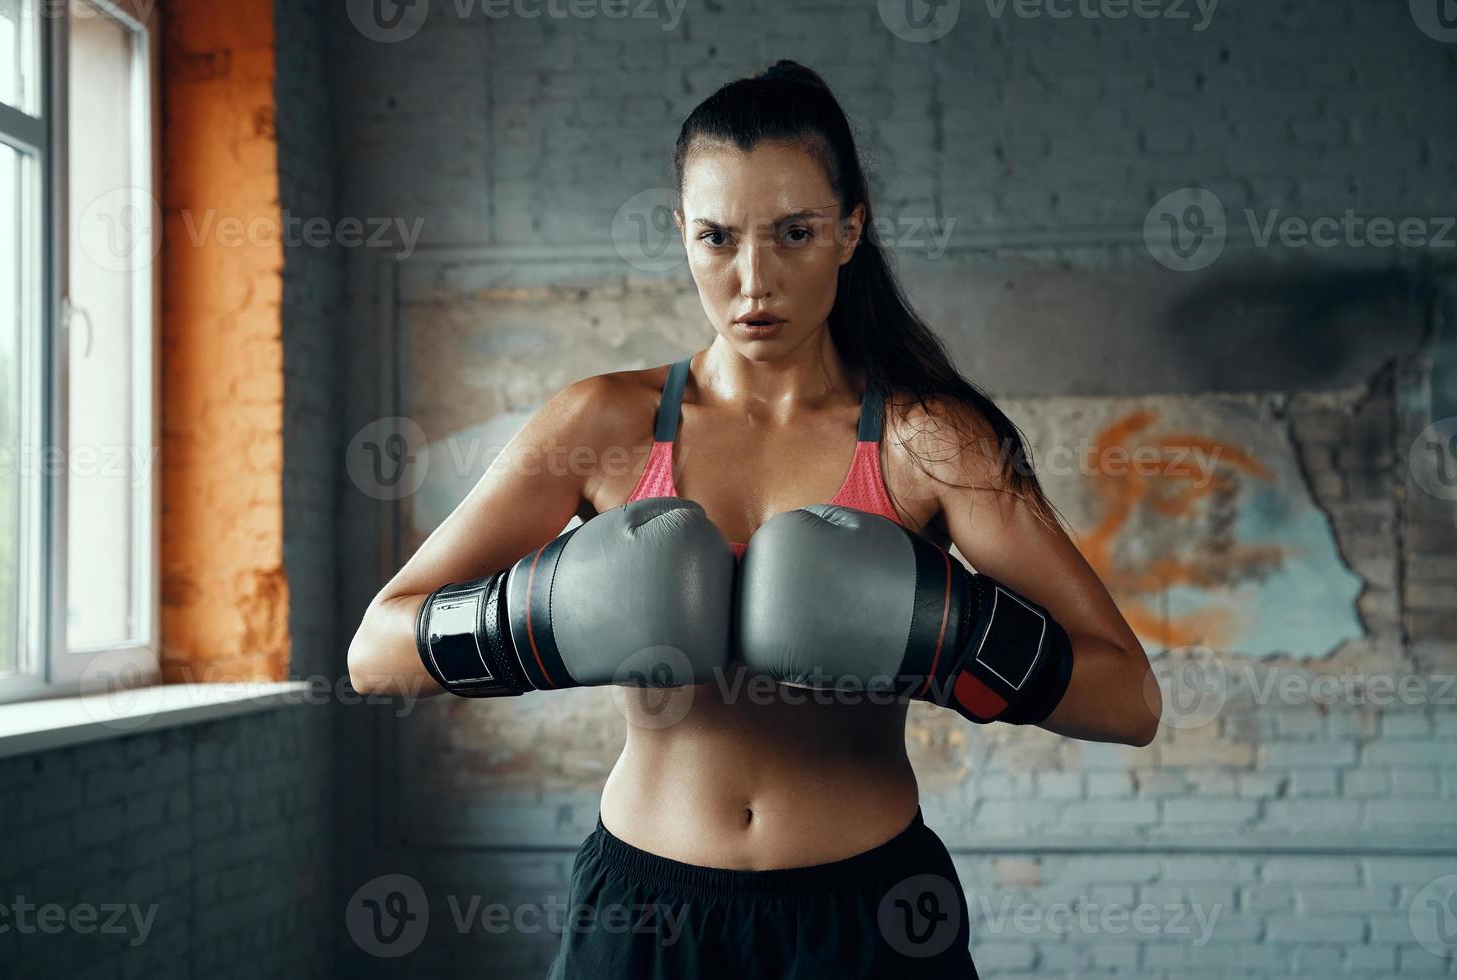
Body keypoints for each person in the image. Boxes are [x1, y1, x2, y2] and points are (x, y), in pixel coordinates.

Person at [348, 59, 1160, 979]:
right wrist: (538, 618)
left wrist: (953, 637)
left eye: (795, 233)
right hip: (644, 915)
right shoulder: (603, 426)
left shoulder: (925, 440)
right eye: (717, 237)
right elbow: (374, 656)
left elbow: (1129, 700)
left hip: (871, 918)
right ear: (681, 235)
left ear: (852, 229)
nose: (752, 279)